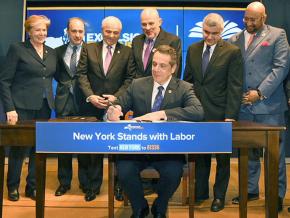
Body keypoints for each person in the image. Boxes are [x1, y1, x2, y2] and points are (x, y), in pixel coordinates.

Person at [107, 45, 204, 218]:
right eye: (154, 64)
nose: (156, 69)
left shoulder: (183, 87)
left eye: (162, 65)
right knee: (124, 169)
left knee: (173, 172)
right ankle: (140, 207)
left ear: (173, 68)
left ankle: (160, 205)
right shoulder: (137, 84)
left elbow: (197, 111)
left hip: (167, 149)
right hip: (137, 147)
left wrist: (162, 114)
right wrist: (114, 110)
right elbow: (120, 102)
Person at [228, 1, 289, 212]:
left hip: (269, 105)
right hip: (243, 106)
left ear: (264, 17)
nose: (248, 22)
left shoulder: (277, 35)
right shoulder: (234, 39)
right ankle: (250, 190)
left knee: (275, 156)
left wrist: (260, 93)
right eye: (246, 18)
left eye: (253, 19)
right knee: (248, 153)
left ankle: (277, 194)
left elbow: (281, 68)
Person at [184, 13, 243, 212]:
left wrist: (230, 116)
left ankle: (219, 197)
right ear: (202, 30)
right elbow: (188, 82)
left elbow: (235, 86)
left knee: (223, 159)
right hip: (196, 113)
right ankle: (201, 192)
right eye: (206, 32)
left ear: (222, 31)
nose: (209, 37)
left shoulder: (232, 52)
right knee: (199, 156)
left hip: (220, 114)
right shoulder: (192, 49)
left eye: (215, 33)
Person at [77, 16, 135, 201]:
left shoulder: (127, 51)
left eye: (115, 32)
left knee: (118, 148)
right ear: (102, 30)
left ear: (120, 33)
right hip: (90, 106)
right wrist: (90, 96)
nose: (111, 35)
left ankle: (119, 186)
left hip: (116, 107)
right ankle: (91, 187)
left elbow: (130, 78)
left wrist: (116, 97)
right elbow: (81, 74)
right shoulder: (89, 47)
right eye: (108, 31)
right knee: (91, 148)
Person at [0, 15, 57, 201]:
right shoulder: (17, 49)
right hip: (21, 108)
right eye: (38, 29)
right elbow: (5, 80)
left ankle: (32, 187)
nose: (42, 33)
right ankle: (12, 187)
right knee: (19, 149)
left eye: (44, 30)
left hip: (45, 107)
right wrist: (9, 108)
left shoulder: (51, 52)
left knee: (38, 149)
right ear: (29, 31)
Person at [54, 17, 88, 197]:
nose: (77, 35)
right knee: (63, 145)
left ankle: (84, 182)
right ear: (67, 32)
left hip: (84, 103)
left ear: (84, 32)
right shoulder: (57, 51)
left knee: (84, 145)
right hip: (63, 102)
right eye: (74, 31)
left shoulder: (91, 51)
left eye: (80, 31)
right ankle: (64, 182)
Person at [132, 8, 182, 78]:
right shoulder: (136, 41)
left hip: (160, 88)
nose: (147, 28)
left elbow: (175, 72)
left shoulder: (173, 41)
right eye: (144, 24)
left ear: (160, 22)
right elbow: (132, 70)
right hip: (138, 87)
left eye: (151, 23)